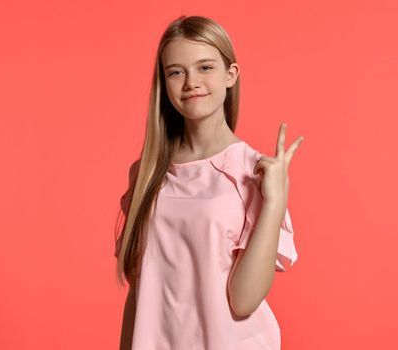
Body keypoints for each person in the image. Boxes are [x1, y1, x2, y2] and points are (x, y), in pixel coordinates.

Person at [114, 15, 304, 350]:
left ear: (230, 75)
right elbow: (140, 291)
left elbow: (244, 300)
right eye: (176, 71)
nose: (190, 82)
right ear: (164, 82)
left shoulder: (253, 171)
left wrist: (275, 201)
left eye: (205, 67)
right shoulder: (145, 175)